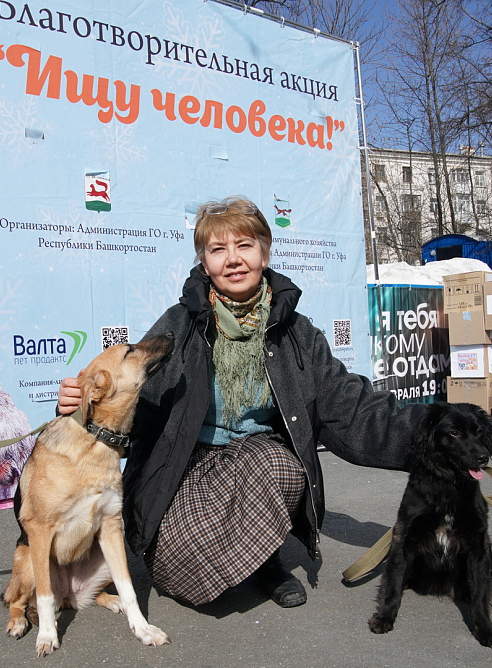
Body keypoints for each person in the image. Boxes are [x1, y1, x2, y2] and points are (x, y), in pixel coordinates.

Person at [57, 196, 427, 608]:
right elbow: (137, 407)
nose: (232, 260)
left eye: (245, 246)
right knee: (176, 569)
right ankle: (228, 555)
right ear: (205, 262)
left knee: (276, 463)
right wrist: (83, 410)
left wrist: (434, 436)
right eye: (218, 250)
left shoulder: (296, 333)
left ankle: (266, 562)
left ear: (264, 254)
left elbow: (352, 408)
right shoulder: (180, 325)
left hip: (257, 461)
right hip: (187, 464)